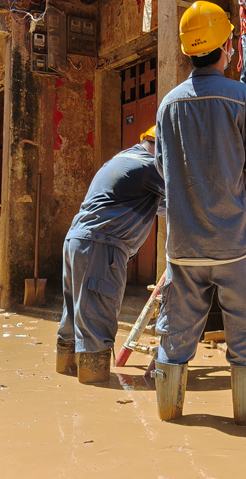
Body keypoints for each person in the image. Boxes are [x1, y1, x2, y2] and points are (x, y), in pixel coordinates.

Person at [153, 1, 246, 425]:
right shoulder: (241, 96)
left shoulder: (167, 105)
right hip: (236, 245)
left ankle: (169, 416)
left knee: (176, 338)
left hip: (184, 246)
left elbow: (162, 170)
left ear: (188, 51)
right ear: (227, 46)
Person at [56, 126, 166, 384]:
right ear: (161, 148)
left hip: (77, 241)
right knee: (97, 318)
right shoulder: (149, 167)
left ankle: (66, 371)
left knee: (73, 316)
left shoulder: (121, 161)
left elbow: (161, 205)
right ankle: (95, 390)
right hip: (101, 246)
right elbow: (186, 196)